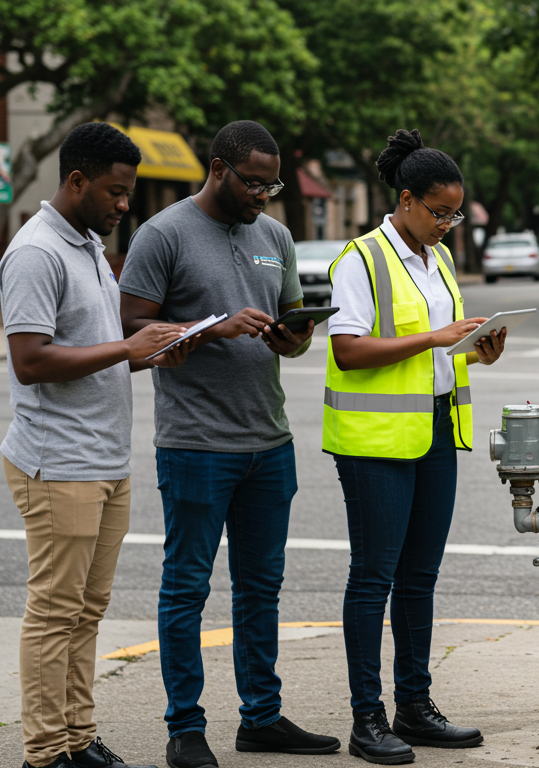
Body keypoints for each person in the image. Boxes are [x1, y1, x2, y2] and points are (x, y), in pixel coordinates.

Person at [118, 120, 338, 768]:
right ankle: (185, 728)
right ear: (217, 169)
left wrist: (292, 338)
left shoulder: (276, 236)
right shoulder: (162, 234)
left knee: (260, 589)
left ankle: (261, 718)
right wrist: (210, 330)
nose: (264, 195)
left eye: (270, 183)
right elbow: (130, 333)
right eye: (252, 182)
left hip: (269, 441)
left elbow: (291, 322)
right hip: (195, 443)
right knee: (186, 588)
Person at [0, 122, 196, 768]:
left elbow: (91, 349)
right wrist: (126, 347)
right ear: (76, 181)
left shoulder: (86, 245)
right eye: (114, 192)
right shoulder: (35, 253)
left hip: (105, 459)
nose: (123, 205)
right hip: (59, 462)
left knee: (87, 610)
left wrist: (149, 355)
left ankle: (78, 739)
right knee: (55, 612)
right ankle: (45, 752)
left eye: (128, 193)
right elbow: (31, 360)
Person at [323, 128, 504, 765]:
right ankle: (366, 717)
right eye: (439, 212)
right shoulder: (361, 259)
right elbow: (348, 350)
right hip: (374, 442)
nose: (448, 224)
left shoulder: (440, 260)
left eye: (455, 214)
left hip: (431, 433)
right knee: (373, 577)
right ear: (405, 200)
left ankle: (415, 705)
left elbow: (436, 355)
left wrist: (474, 351)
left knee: (420, 577)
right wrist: (433, 339)